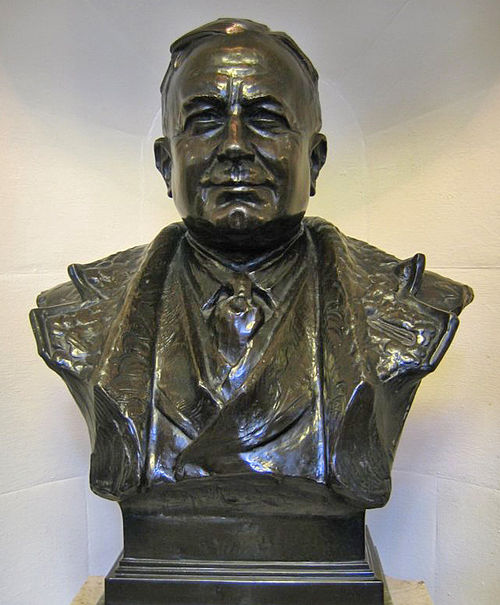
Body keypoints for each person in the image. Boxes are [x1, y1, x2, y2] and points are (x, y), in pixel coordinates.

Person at [30, 18, 472, 510]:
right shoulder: (80, 315)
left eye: (266, 119)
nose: (235, 145)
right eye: (203, 121)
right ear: (165, 164)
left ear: (315, 159)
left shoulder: (410, 306)